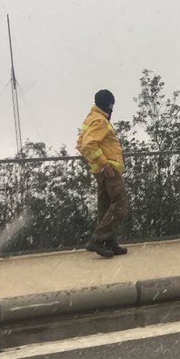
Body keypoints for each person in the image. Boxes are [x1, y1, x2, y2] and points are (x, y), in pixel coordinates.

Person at [76, 89, 129, 258]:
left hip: (102, 170)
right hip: (109, 170)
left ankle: (109, 242)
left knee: (105, 206)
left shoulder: (92, 118)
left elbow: (80, 143)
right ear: (110, 104)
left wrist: (96, 164)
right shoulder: (99, 120)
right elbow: (87, 146)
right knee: (120, 203)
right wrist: (104, 163)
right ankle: (98, 240)